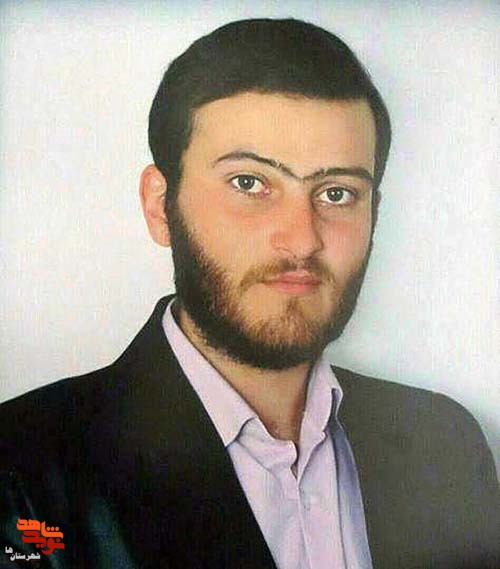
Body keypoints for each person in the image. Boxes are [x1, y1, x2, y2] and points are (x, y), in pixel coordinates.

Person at [0, 18, 498, 569]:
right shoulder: (22, 471)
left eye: (337, 193)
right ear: (160, 206)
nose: (302, 239)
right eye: (249, 183)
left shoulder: (445, 445)